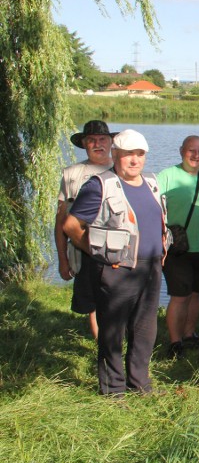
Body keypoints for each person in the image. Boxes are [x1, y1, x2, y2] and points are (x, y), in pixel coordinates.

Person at [63, 130, 168, 397]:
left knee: (145, 329)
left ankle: (140, 383)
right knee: (113, 332)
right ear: (115, 155)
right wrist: (97, 253)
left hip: (151, 268)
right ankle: (113, 390)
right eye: (128, 154)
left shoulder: (151, 183)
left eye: (140, 154)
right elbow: (72, 226)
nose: (134, 160)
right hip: (116, 270)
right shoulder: (100, 184)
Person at [55, 120, 115, 339]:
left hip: (118, 246)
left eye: (102, 139)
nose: (97, 144)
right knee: (92, 299)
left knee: (119, 295)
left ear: (111, 142)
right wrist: (62, 259)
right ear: (84, 144)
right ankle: (102, 343)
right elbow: (61, 219)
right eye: (91, 140)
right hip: (84, 246)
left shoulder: (123, 168)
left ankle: (118, 339)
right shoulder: (72, 174)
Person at [158, 135, 199, 358]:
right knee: (179, 296)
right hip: (177, 249)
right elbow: (155, 209)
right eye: (191, 150)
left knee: (195, 294)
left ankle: (190, 335)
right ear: (181, 150)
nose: (196, 155)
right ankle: (175, 342)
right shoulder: (167, 176)